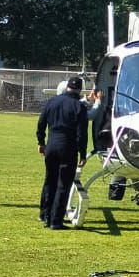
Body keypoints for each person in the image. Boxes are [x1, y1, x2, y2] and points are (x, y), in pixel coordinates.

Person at [36, 78, 89, 229]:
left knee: (49, 181)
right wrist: (83, 154)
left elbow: (41, 123)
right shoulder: (79, 106)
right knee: (63, 184)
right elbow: (81, 134)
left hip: (51, 145)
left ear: (67, 87)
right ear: (79, 90)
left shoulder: (52, 102)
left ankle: (45, 214)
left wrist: (41, 142)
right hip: (68, 147)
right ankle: (56, 220)